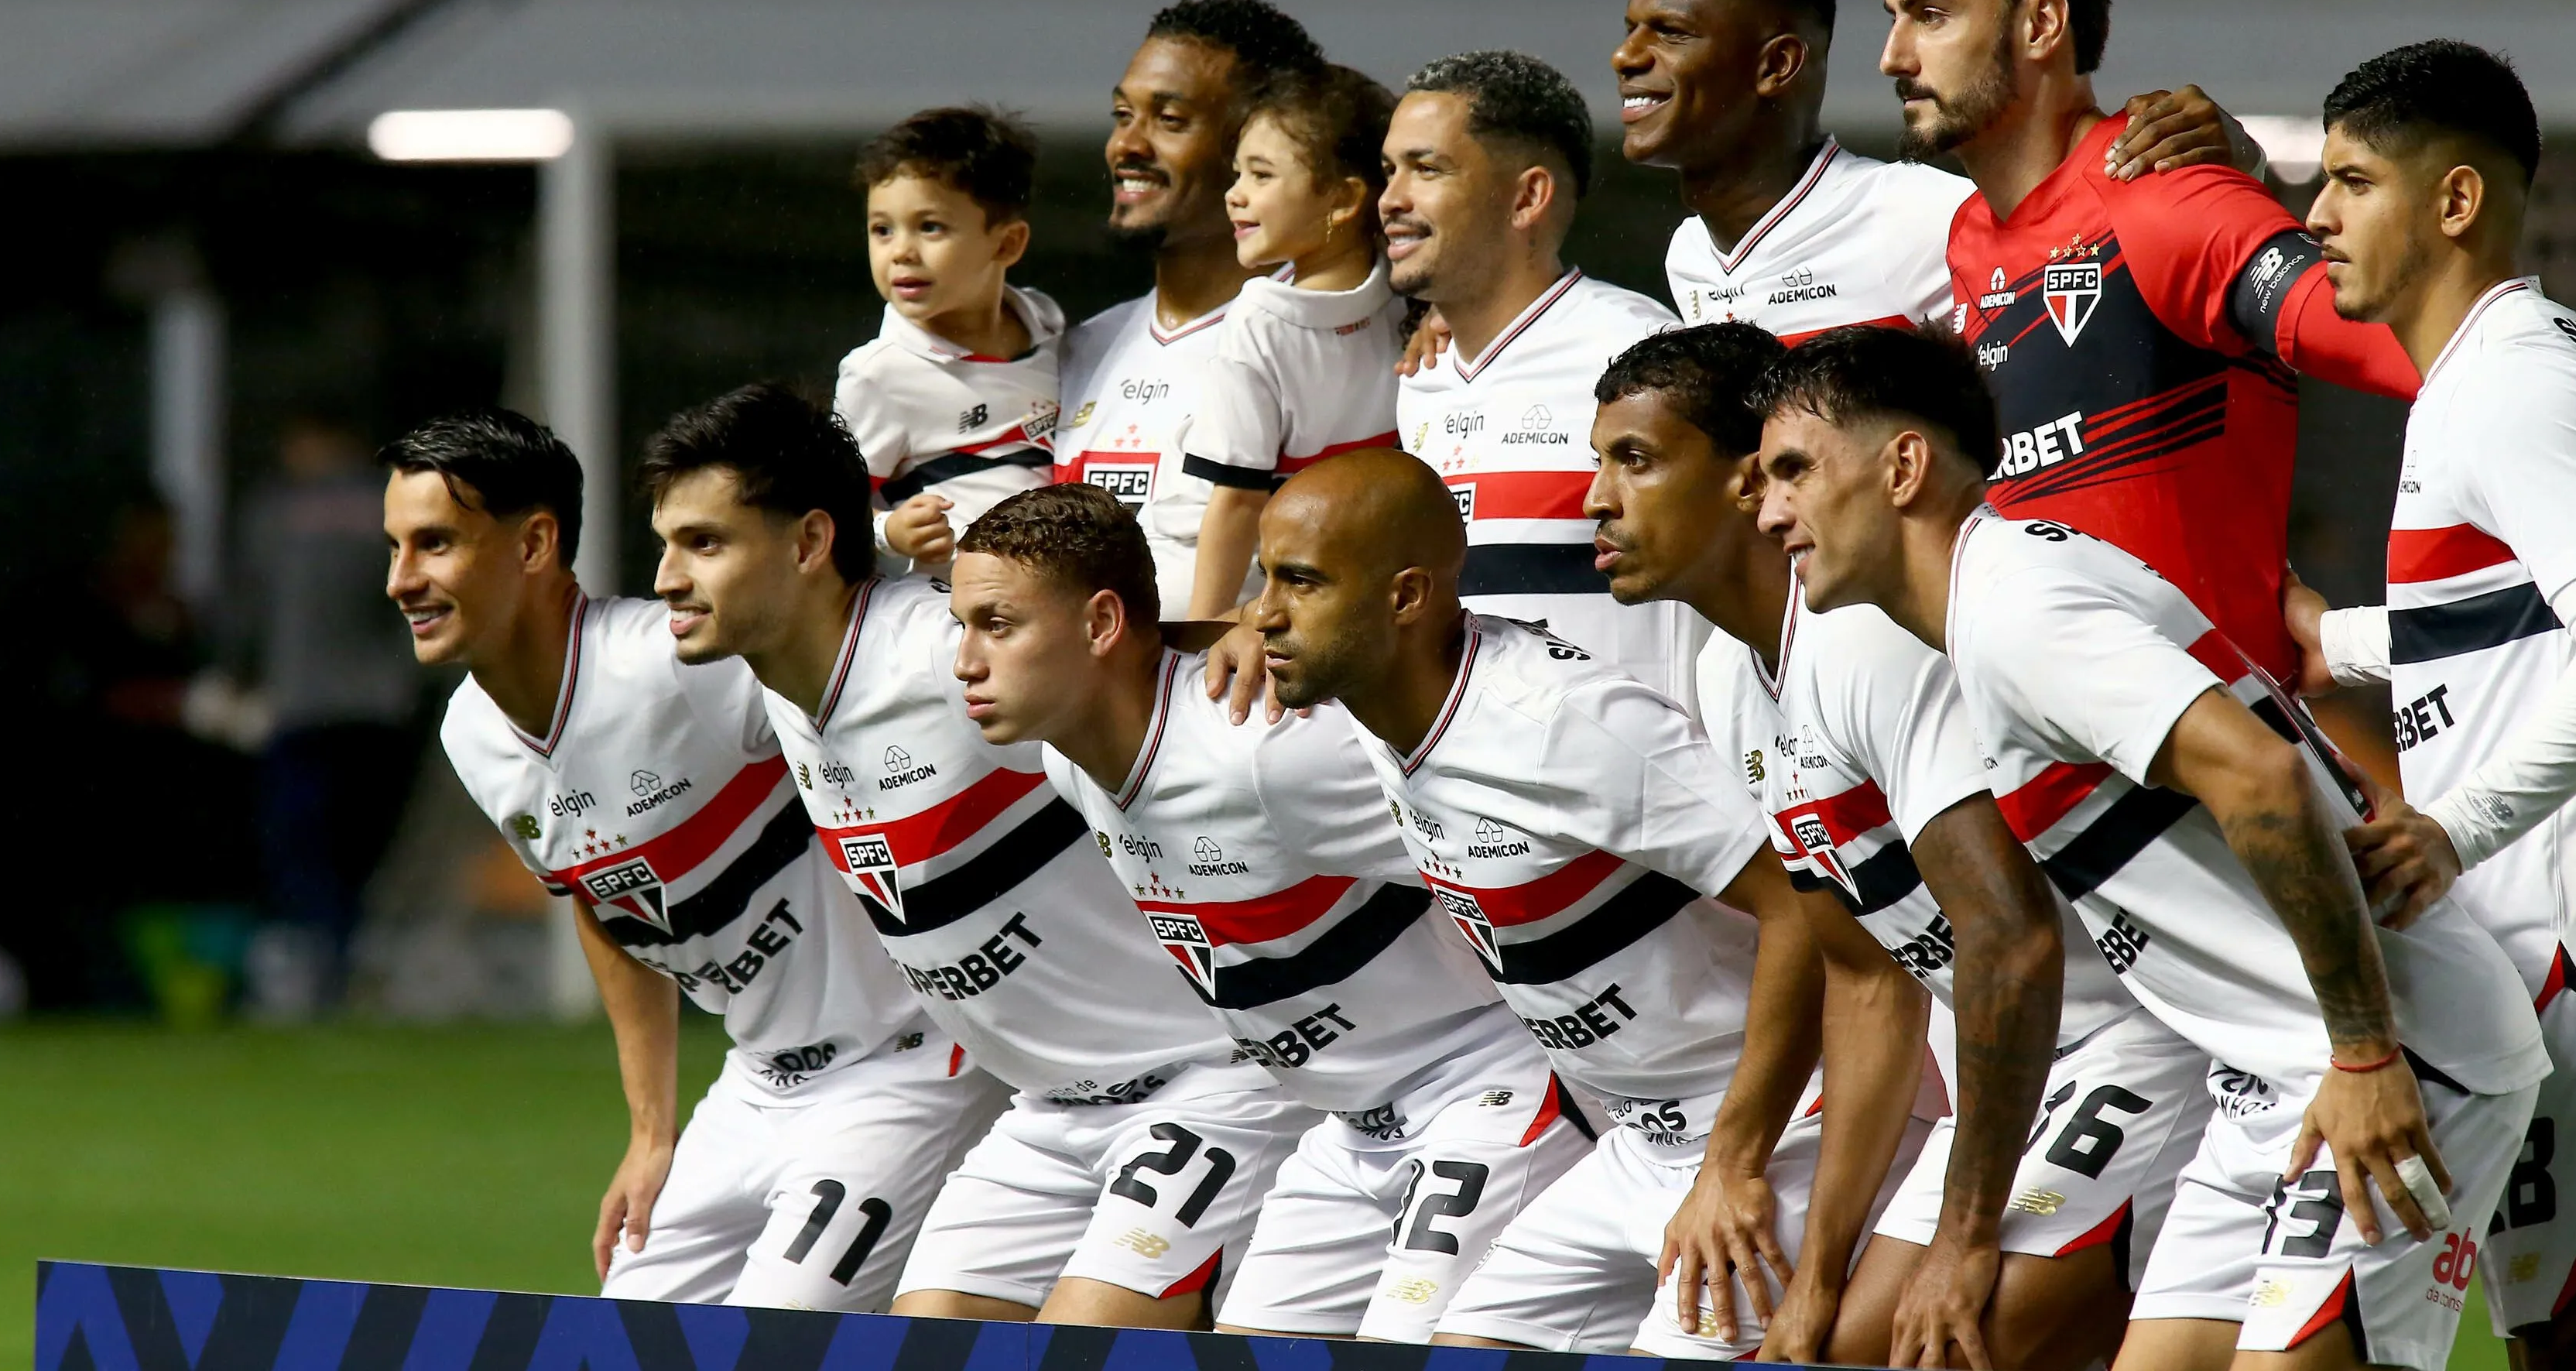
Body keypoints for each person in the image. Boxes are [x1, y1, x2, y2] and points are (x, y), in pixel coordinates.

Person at [1759, 323, 2549, 1371]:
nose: (1770, 510)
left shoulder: (2012, 615)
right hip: (2269, 1085)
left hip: (2395, 1062)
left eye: (1792, 471)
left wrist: (2362, 1050)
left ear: (1903, 465)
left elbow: (2260, 778)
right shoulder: (1996, 597)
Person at [1588, 324, 2214, 1369]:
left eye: (1634, 462)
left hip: (2140, 1032)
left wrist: (1962, 1237)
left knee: (1923, 1344)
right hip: (2012, 1065)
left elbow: (2010, 941)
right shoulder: (1723, 674)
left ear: (1747, 484)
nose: (1595, 501)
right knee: (1836, 1342)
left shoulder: (1862, 638)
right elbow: (1869, 979)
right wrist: (1815, 1280)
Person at [641, 384, 1312, 1330]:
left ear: (807, 545)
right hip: (1045, 1114)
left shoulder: (938, 648)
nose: (668, 577)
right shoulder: (783, 691)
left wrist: (1256, 626)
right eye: (667, 543)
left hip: (1207, 1077)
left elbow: (1108, 634)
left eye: (705, 544)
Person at [382, 408, 999, 1309]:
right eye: (395, 547)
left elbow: (830, 636)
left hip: (903, 1064)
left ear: (535, 544)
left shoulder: (680, 662)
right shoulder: (472, 734)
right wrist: (649, 1129)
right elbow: (602, 899)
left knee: (773, 1335)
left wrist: (883, 541)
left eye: (433, 544)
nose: (402, 579)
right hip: (753, 1084)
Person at [947, 482, 1593, 1341]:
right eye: (962, 625)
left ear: (1102, 625)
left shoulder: (1266, 753)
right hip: (1347, 1128)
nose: (964, 661)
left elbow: (1549, 831)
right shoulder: (1071, 765)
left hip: (1486, 1090)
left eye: (997, 625)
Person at [2287, 43, 2576, 1371]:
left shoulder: (2514, 376)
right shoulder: (2484, 374)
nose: (2315, 217)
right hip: (2536, 938)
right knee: (2561, 1340)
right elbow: (2505, 618)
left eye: (2350, 180)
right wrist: (2334, 639)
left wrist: (2451, 826)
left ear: (2453, 201)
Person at [1249, 447, 1851, 1358]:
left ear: (1406, 597)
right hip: (1631, 1148)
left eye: (1299, 583)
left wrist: (1733, 1164)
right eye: (1264, 579)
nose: (1263, 615)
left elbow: (1811, 906)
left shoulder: (1567, 722)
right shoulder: (1384, 699)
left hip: (1773, 1133)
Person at [1862, 0, 2420, 687]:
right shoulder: (1966, 242)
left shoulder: (2164, 197)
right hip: (2069, 776)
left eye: (1930, 16)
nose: (1892, 57)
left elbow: (2407, 343)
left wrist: (2563, 369)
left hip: (2212, 785)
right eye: (1894, 19)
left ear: (2041, 23)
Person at [1617, 0, 2256, 344]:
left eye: (1669, 33)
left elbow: (2129, 293)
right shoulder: (1690, 259)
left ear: (1777, 65)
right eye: (1631, 30)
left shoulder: (1928, 219)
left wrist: (2238, 157)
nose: (1625, 57)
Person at [1377, 50, 1698, 704]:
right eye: (1389, 171)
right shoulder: (1418, 377)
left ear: (1526, 196)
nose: (1389, 200)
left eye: (1426, 169)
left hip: (1636, 787)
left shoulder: (1640, 349)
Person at [1054, 0, 1326, 616]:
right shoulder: (1076, 349)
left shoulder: (1330, 341)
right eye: (1122, 114)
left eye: (1169, 120)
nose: (1125, 144)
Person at [1179, 63, 1406, 619]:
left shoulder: (1257, 318)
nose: (1234, 196)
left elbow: (1235, 502)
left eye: (1260, 175)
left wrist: (1202, 634)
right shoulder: (1411, 300)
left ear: (1342, 199)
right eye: (1237, 175)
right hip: (1344, 597)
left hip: (1250, 601)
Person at [235, 411, 426, 1014]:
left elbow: (246, 608)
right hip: (380, 706)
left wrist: (238, 674)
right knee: (367, 848)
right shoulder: (391, 505)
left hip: (301, 705)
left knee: (303, 849)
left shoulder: (274, 512)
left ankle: (316, 968)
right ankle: (357, 960)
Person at [834, 107, 1065, 570]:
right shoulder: (878, 374)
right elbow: (822, 512)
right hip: (949, 615)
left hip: (1060, 599)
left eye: (930, 227)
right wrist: (888, 531)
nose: (900, 251)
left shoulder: (1049, 324)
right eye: (882, 229)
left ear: (1007, 245)